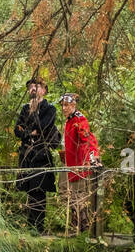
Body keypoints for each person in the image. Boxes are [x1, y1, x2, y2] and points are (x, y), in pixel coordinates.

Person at [14, 75, 61, 231]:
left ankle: (38, 228)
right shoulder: (24, 109)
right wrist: (30, 133)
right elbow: (17, 130)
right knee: (29, 191)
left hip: (41, 155)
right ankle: (30, 226)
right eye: (31, 87)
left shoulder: (50, 109)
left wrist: (34, 114)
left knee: (39, 191)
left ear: (44, 90)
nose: (33, 89)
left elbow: (43, 126)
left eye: (37, 86)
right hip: (27, 155)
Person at [60, 93, 101, 235]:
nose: (64, 108)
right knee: (67, 193)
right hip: (69, 163)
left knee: (78, 195)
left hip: (78, 164)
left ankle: (80, 229)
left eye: (66, 105)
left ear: (73, 105)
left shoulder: (79, 119)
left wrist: (92, 158)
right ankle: (76, 227)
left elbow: (88, 140)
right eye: (62, 105)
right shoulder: (69, 120)